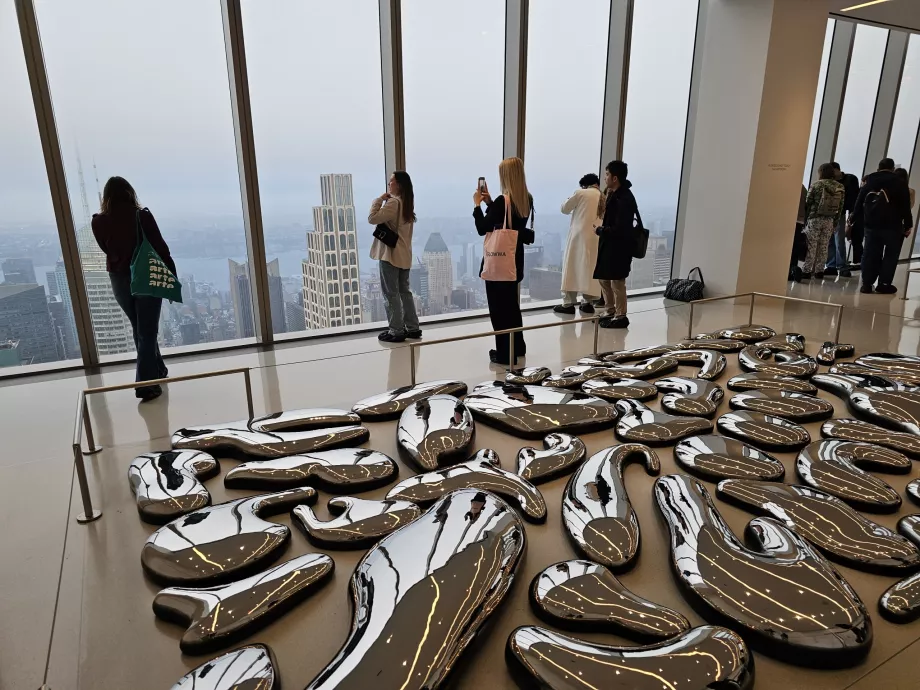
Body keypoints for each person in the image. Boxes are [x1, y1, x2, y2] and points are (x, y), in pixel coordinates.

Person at [91, 177, 173, 402]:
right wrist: (171, 277)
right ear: (129, 192)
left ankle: (158, 370)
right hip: (145, 276)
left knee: (140, 328)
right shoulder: (142, 216)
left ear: (106, 196)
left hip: (118, 279)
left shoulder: (98, 222)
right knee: (146, 331)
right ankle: (145, 385)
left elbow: (107, 249)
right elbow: (160, 247)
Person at [474, 157, 535, 365]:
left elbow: (483, 227)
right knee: (511, 307)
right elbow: (510, 223)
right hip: (514, 261)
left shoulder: (503, 201)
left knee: (499, 311)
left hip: (499, 263)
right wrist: (490, 202)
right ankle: (518, 347)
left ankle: (504, 354)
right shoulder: (526, 198)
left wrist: (477, 206)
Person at [369, 171, 421, 343]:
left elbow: (373, 218)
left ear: (398, 184)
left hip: (390, 255)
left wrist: (378, 200)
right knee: (405, 292)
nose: (389, 184)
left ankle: (396, 330)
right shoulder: (407, 204)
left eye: (391, 181)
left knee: (391, 294)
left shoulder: (393, 203)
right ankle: (412, 328)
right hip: (405, 255)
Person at [852, 158, 914, 294]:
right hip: (893, 225)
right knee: (891, 255)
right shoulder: (899, 183)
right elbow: (905, 206)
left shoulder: (870, 181)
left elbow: (859, 201)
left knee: (870, 254)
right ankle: (884, 283)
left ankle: (867, 284)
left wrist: (853, 219)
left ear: (879, 168)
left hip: (871, 224)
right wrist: (908, 224)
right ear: (892, 169)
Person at [594, 160, 637, 329]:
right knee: (605, 278)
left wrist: (601, 230)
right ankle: (610, 310)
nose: (604, 178)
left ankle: (620, 315)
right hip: (610, 245)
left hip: (619, 247)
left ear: (615, 177)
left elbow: (620, 228)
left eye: (607, 175)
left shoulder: (624, 198)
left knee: (617, 281)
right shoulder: (615, 193)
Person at [555, 174, 603, 314]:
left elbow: (565, 208)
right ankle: (587, 302)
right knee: (589, 270)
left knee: (571, 267)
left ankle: (568, 303)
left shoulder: (581, 193)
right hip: (596, 237)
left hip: (578, 237)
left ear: (584, 185)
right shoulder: (603, 197)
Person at [801, 163, 844, 280]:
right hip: (829, 219)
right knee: (824, 246)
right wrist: (835, 221)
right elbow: (840, 207)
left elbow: (808, 202)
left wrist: (807, 218)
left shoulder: (816, 185)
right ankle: (819, 271)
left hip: (814, 218)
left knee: (812, 245)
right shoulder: (839, 186)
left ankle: (807, 271)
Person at [824, 162, 860, 277]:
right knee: (829, 240)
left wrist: (852, 213)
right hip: (828, 212)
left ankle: (841, 265)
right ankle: (831, 265)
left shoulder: (850, 179)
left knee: (839, 240)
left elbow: (854, 196)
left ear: (836, 169)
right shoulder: (830, 181)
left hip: (841, 212)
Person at [789, 183, 808, 282]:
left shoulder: (790, 186)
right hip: (800, 220)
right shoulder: (803, 188)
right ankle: (793, 268)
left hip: (789, 219)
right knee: (795, 246)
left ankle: (789, 271)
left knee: (787, 246)